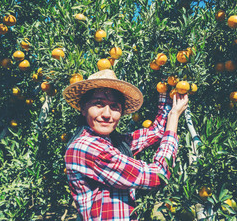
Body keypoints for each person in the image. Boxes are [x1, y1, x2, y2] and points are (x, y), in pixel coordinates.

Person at [63, 69, 188, 220]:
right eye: (98, 104)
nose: (107, 114)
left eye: (114, 106)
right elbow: (158, 175)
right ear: (83, 108)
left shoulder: (113, 143)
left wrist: (167, 88)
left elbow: (155, 132)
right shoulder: (87, 148)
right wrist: (174, 117)